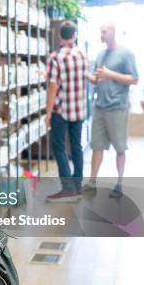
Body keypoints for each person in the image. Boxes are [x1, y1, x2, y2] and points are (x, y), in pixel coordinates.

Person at [84, 22, 139, 198]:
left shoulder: (125, 54)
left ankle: (119, 184)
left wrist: (111, 75)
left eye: (105, 31)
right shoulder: (100, 55)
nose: (102, 34)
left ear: (113, 32)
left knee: (119, 147)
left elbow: (134, 79)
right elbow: (96, 79)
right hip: (99, 107)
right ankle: (92, 182)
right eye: (100, 31)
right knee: (97, 146)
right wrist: (84, 72)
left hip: (117, 108)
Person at [44, 21, 92, 203]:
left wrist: (48, 114)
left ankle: (67, 188)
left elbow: (53, 87)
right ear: (74, 35)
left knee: (58, 147)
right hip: (78, 109)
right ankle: (77, 185)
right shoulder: (82, 55)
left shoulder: (55, 57)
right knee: (77, 146)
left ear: (60, 36)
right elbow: (85, 78)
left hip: (61, 110)